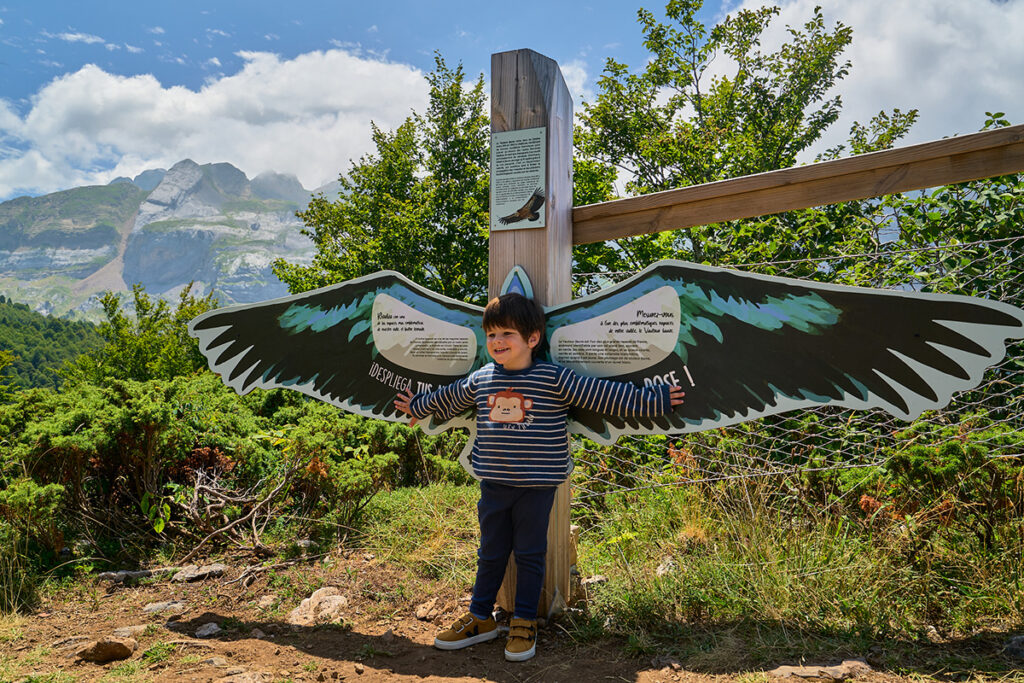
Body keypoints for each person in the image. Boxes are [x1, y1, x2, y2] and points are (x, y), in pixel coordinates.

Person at [394, 292, 684, 662]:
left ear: (532, 339)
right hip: (494, 484)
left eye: (507, 335)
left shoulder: (553, 378)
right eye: (492, 335)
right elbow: (449, 399)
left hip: (537, 486)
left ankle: (524, 622)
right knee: (491, 553)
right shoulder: (483, 378)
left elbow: (605, 396)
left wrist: (655, 401)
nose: (497, 343)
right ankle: (481, 617)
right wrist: (417, 406)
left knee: (530, 554)